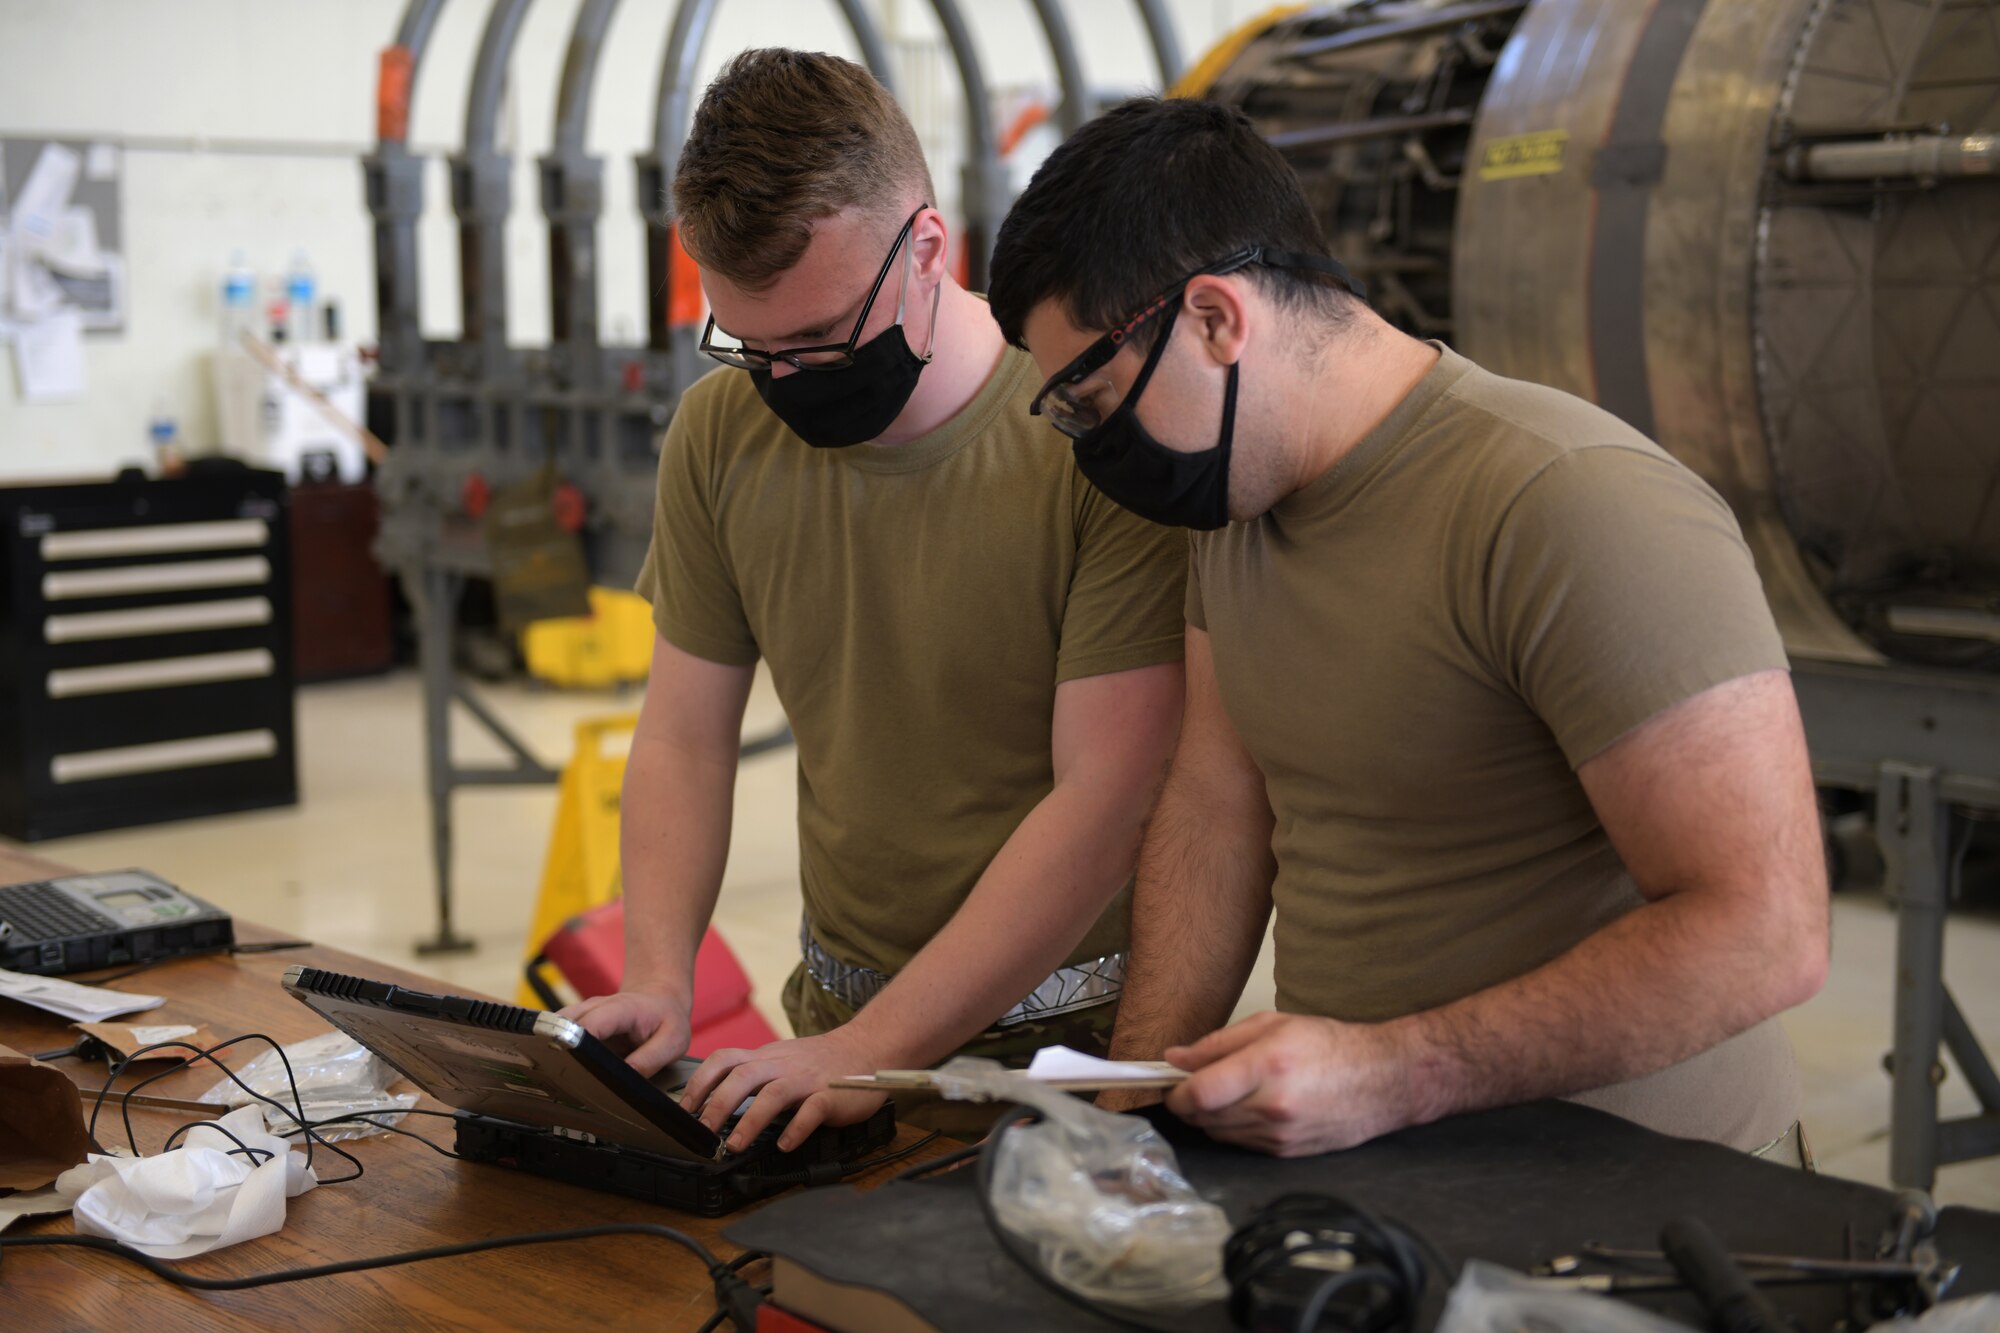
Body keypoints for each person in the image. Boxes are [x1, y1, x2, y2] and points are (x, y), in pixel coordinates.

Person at [986, 96, 1829, 1162]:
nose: (1093, 448)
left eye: (1092, 400)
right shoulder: (1237, 503)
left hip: (1643, 1224)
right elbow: (1215, 809)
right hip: (1380, 1189)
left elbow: (1767, 932)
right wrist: (1126, 1124)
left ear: (1213, 319)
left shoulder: (1569, 504)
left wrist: (1392, 1071)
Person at [562, 52, 1186, 1153]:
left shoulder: (1087, 437)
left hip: (1069, 1064)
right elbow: (682, 738)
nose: (788, 380)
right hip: (831, 1033)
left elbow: (1103, 803)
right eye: (752, 348)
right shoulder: (719, 436)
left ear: (929, 251)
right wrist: (660, 979)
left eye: (816, 339)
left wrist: (878, 1045)